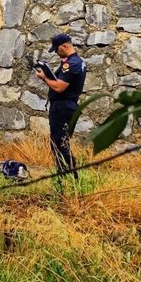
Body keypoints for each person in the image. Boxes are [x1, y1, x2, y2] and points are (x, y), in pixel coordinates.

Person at [35, 33, 87, 179]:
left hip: (63, 107)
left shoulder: (71, 64)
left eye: (57, 50)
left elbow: (59, 87)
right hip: (68, 106)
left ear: (64, 46)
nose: (57, 53)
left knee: (59, 145)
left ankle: (68, 178)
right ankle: (67, 176)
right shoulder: (77, 62)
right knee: (61, 143)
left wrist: (44, 77)